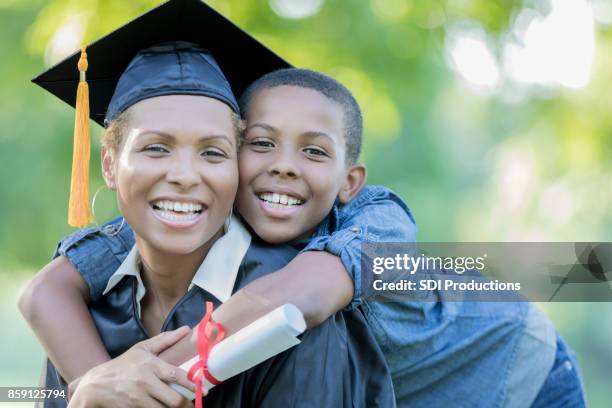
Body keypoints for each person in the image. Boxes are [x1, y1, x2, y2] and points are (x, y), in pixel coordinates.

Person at [21, 2, 586, 408]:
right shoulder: (195, 210)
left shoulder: (374, 220)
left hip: (517, 373)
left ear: (350, 180)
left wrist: (132, 383)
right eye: (260, 144)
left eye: (313, 151)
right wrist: (93, 382)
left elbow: (295, 300)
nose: (283, 165)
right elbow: (45, 289)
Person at [25, 1, 395, 407]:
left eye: (213, 153)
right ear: (109, 165)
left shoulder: (292, 320)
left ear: (237, 167)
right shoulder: (80, 315)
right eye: (155, 147)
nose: (185, 175)